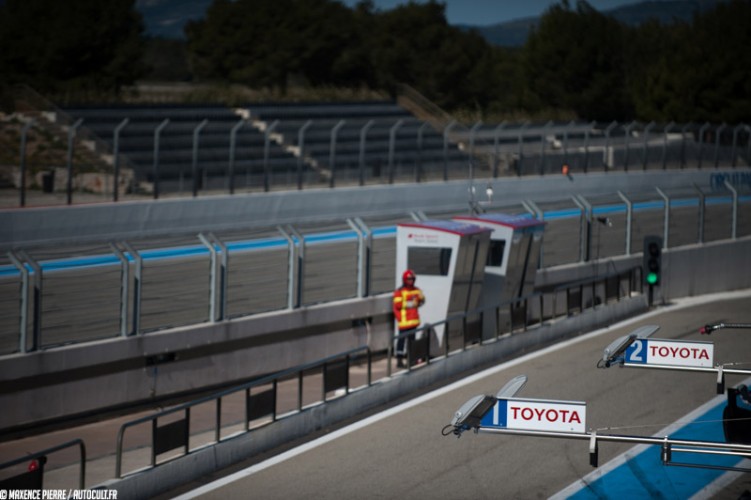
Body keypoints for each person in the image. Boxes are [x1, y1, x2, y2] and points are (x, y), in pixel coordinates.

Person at [393, 269, 425, 367]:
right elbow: (398, 304)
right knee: (401, 341)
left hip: (413, 321)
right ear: (405, 280)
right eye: (409, 279)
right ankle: (399, 360)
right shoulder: (399, 291)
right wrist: (412, 303)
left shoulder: (417, 290)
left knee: (412, 341)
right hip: (404, 321)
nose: (411, 280)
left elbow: (422, 302)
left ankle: (411, 359)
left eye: (412, 279)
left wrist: (421, 299)